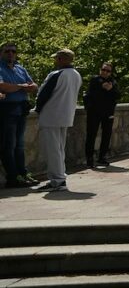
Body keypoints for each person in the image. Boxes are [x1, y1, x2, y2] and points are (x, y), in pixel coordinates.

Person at [34, 49, 83, 192]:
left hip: (51, 115)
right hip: (66, 115)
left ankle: (57, 181)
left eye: (57, 58)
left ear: (61, 59)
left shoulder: (56, 74)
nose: (55, 61)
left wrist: (37, 109)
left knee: (53, 149)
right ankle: (60, 177)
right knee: (60, 148)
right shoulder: (76, 75)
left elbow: (43, 94)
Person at [0, 42, 40, 188]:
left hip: (21, 110)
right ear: (1, 53)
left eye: (13, 51)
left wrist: (17, 88)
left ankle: (22, 174)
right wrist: (22, 87)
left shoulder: (20, 68)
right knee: (8, 145)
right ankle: (13, 177)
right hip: (7, 110)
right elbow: (3, 87)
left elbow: (34, 86)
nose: (10, 53)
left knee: (20, 145)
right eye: (7, 51)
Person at [84, 62, 119, 167]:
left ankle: (102, 157)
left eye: (108, 71)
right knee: (91, 135)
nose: (105, 72)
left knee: (107, 135)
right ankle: (89, 159)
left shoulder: (113, 82)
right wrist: (102, 87)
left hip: (108, 112)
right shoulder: (95, 80)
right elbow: (91, 93)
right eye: (103, 70)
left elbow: (118, 95)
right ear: (100, 70)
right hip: (94, 112)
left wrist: (111, 88)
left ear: (110, 72)